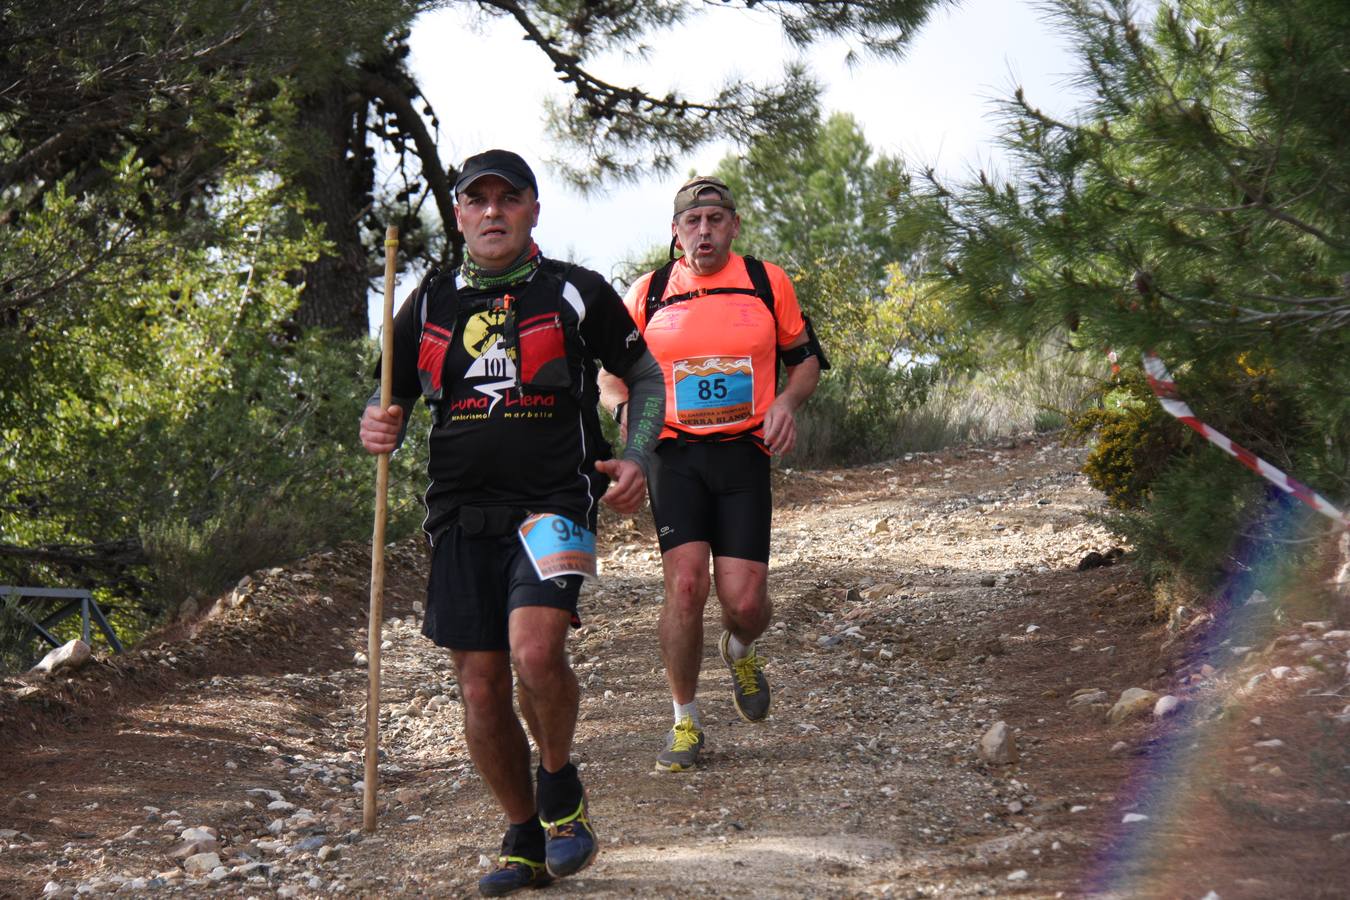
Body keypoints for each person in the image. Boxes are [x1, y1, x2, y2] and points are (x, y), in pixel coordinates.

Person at [359, 149, 665, 897]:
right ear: (458, 214)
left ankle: (560, 787)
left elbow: (647, 375)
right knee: (482, 687)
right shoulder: (429, 301)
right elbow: (387, 397)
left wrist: (637, 457)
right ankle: (522, 833)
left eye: (508, 198)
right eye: (477, 200)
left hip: (554, 504)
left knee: (534, 652)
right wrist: (377, 422)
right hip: (458, 517)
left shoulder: (575, 290)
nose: (492, 212)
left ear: (533, 209)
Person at [599, 175, 826, 774]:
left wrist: (785, 404)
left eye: (715, 220)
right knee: (685, 586)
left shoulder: (764, 281)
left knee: (745, 602)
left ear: (734, 226)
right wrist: (631, 426)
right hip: (676, 456)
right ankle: (685, 721)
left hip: (743, 454)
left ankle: (740, 647)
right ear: (676, 234)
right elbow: (611, 379)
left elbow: (805, 360)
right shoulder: (646, 294)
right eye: (692, 222)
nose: (704, 231)